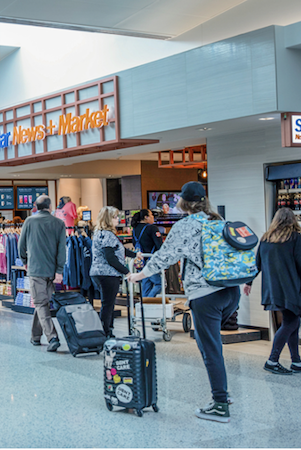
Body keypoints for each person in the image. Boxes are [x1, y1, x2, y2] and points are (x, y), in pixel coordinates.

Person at [128, 181, 239, 423]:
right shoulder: (218, 221)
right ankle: (223, 394)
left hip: (205, 294)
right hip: (231, 291)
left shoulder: (185, 226)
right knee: (208, 343)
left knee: (210, 348)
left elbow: (165, 256)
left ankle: (220, 404)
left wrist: (139, 275)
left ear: (182, 203)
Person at [243, 207, 301, 375]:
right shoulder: (295, 238)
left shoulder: (266, 239)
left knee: (291, 322)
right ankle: (272, 360)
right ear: (292, 220)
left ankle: (296, 361)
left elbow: (257, 264)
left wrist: (249, 282)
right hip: (290, 288)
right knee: (292, 322)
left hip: (272, 290)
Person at [18, 195, 67, 352]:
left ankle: (52, 337)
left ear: (35, 207)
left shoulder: (29, 222)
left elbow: (21, 244)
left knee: (40, 303)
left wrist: (25, 261)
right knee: (42, 302)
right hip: (51, 271)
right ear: (50, 207)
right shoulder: (59, 223)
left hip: (36, 269)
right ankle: (35, 336)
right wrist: (59, 270)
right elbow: (62, 249)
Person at [90, 206, 141, 338]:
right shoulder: (108, 235)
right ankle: (106, 332)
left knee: (106, 303)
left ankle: (106, 330)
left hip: (97, 272)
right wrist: (127, 272)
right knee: (108, 304)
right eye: (115, 217)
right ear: (108, 219)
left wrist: (135, 255)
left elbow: (120, 249)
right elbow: (110, 258)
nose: (118, 219)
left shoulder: (99, 233)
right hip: (107, 273)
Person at [131, 209, 164, 297]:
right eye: (151, 215)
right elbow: (159, 245)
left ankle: (145, 307)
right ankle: (148, 300)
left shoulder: (135, 229)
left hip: (140, 261)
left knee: (146, 285)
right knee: (160, 284)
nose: (153, 217)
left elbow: (134, 244)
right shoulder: (152, 228)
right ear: (146, 217)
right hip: (151, 261)